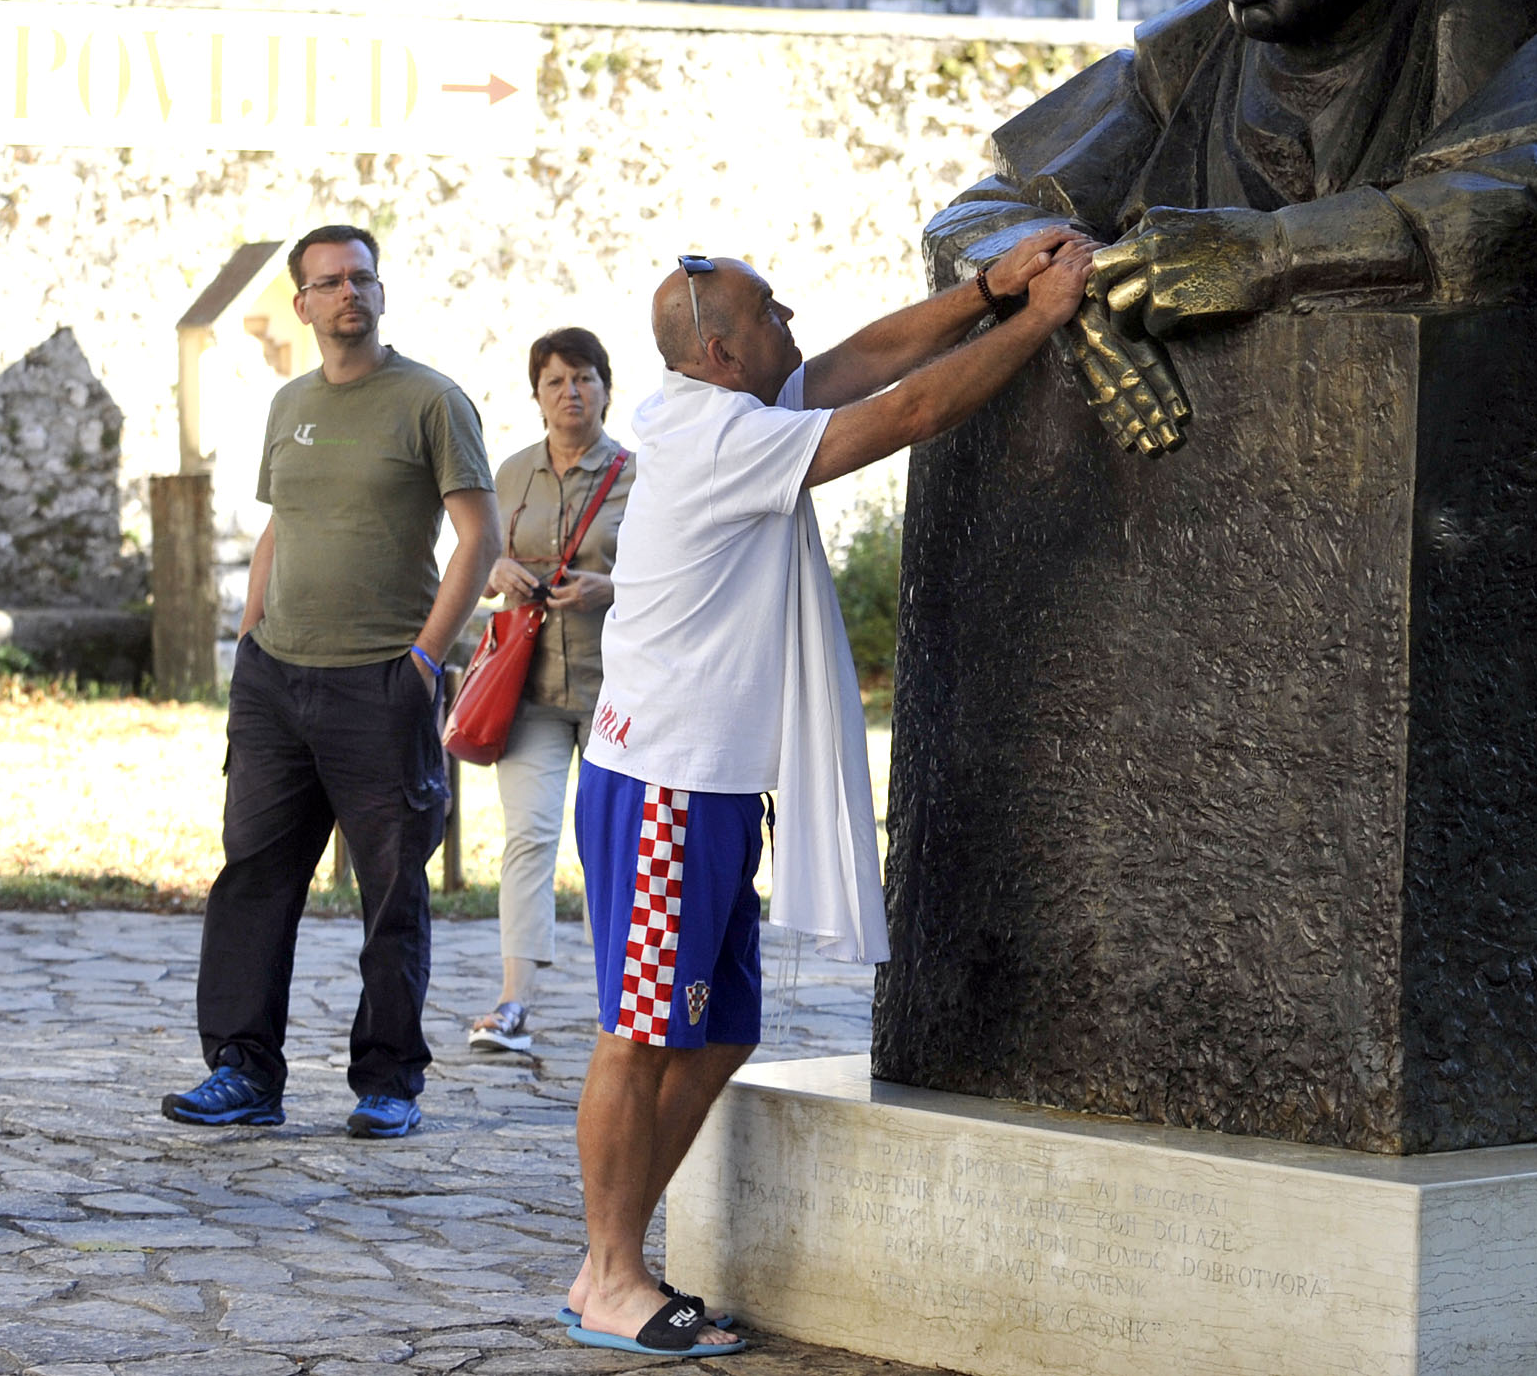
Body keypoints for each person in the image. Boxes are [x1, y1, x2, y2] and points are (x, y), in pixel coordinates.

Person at [562, 230, 1096, 1357]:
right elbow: (897, 416)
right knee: (639, 1036)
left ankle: (610, 1255)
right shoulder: (720, 437)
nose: (790, 322)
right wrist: (1038, 322)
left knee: (716, 1037)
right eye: (770, 314)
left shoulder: (709, 404)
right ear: (717, 350)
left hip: (704, 785)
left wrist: (985, 291)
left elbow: (856, 363)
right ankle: (610, 1274)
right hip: (664, 781)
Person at [162, 226, 502, 1140]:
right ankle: (244, 1072)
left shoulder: (431, 401)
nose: (349, 293)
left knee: (391, 892)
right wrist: (249, 631)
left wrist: (427, 657)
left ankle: (388, 1082)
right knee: (252, 880)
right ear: (302, 303)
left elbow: (480, 538)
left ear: (380, 294)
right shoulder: (289, 404)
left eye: (362, 278)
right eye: (329, 283)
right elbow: (279, 524)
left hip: (381, 682)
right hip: (275, 680)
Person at [467, 328, 635, 1058]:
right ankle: (512, 1001)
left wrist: (612, 586)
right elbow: (472, 563)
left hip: (618, 690)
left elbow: (680, 577)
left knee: (614, 846)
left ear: (605, 387)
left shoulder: (641, 476)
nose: (571, 392)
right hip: (527, 688)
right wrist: (497, 571)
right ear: (535, 396)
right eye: (555, 381)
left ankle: (622, 1004)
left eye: (584, 378)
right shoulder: (509, 476)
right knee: (528, 836)